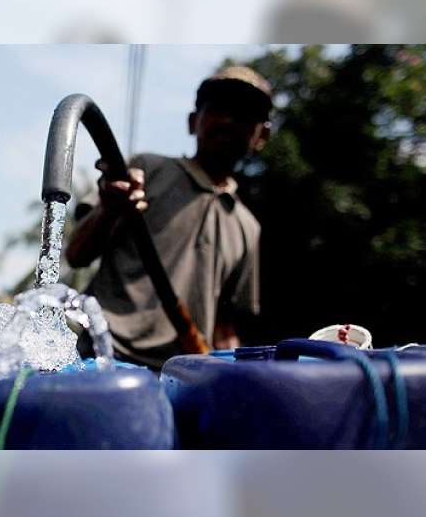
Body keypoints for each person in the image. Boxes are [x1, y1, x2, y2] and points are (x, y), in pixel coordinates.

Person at [65, 66, 272, 370]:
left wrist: (232, 374)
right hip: (100, 356)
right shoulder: (145, 169)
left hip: (176, 376)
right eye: (217, 109)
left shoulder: (248, 227)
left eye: (243, 114)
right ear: (193, 121)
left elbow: (224, 326)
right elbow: (77, 255)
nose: (228, 120)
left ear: (261, 135)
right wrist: (109, 208)